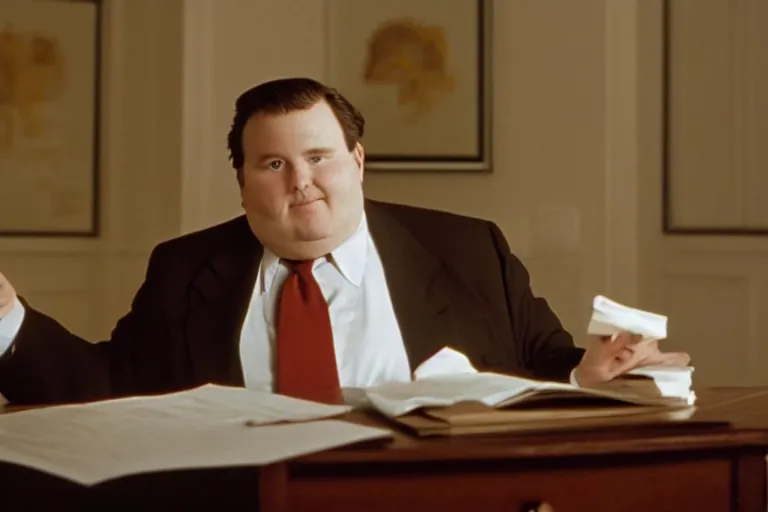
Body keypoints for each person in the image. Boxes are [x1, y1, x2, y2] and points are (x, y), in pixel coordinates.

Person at [0, 78, 689, 406]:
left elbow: (544, 367)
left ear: (357, 162)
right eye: (273, 164)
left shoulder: (468, 249)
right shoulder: (184, 269)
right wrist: (6, 321)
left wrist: (588, 376)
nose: (302, 182)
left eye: (320, 157)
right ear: (242, 181)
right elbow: (111, 388)